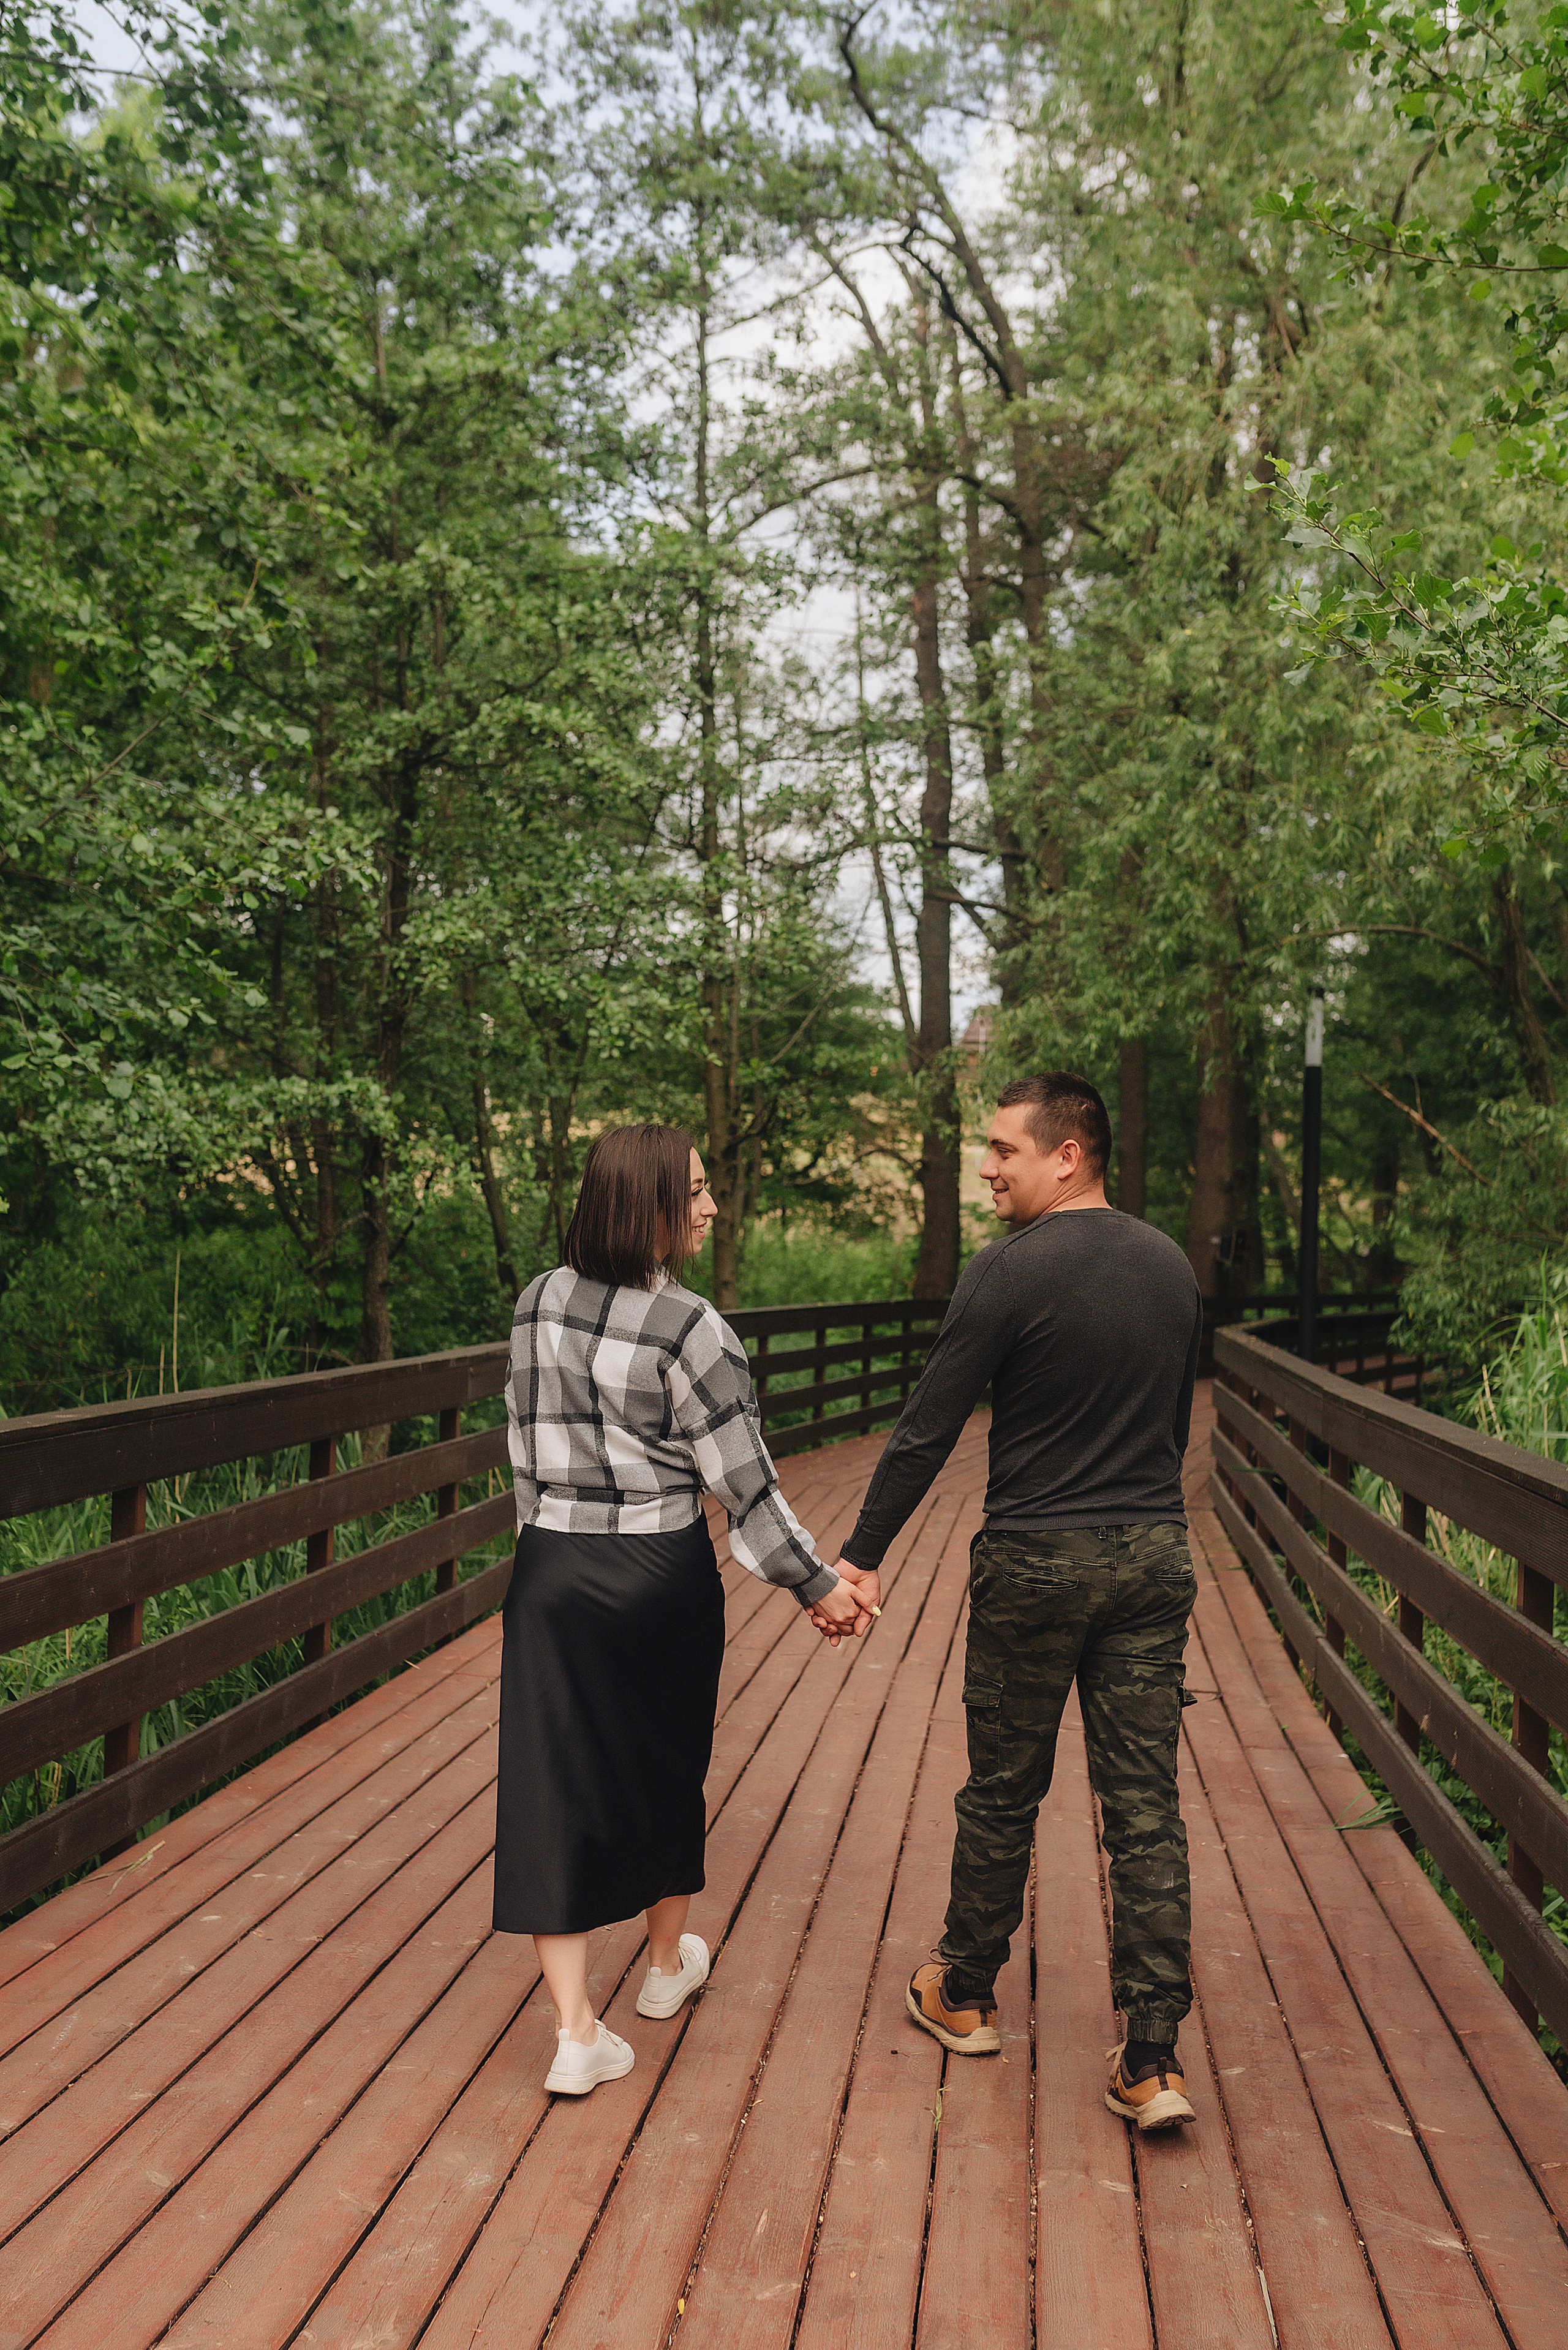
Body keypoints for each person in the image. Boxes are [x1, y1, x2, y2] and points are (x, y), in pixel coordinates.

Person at [821, 1072, 1204, 2133]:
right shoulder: (1171, 1266)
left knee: (1004, 1786)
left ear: (1068, 1154)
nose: (986, 1167)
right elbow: (1172, 1426)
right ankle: (1155, 2058)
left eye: (1003, 1150)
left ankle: (967, 1990)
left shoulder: (1008, 1270)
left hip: (1035, 1558)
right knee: (1145, 1811)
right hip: (1150, 1553)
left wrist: (858, 1557)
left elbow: (927, 1426)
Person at [493, 1122, 879, 2096]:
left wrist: (548, 1540)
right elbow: (742, 1482)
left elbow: (521, 1437)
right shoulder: (692, 1327)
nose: (711, 1206)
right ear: (649, 1204)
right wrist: (816, 1584)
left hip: (550, 1569)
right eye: (697, 1190)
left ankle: (577, 2030)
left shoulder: (538, 1298)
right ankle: (665, 1970)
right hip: (656, 1570)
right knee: (668, 1760)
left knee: (552, 1781)